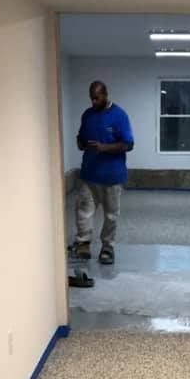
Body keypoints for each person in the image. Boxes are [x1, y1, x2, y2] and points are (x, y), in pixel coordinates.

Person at [74, 81, 134, 266]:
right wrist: (81, 143)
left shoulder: (119, 115)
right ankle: (83, 243)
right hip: (89, 174)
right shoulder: (87, 115)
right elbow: (81, 138)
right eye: (91, 98)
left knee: (111, 215)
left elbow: (128, 144)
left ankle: (107, 247)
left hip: (112, 176)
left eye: (96, 98)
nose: (93, 102)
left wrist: (104, 148)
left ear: (106, 94)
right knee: (83, 210)